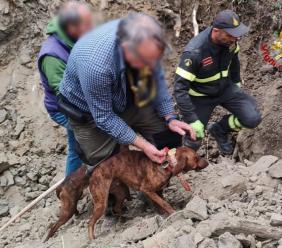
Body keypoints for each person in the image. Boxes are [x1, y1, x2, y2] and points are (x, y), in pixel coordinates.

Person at [59, 13, 196, 170]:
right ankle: (116, 191)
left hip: (127, 96)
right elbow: (104, 117)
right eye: (146, 62)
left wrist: (170, 117)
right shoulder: (96, 66)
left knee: (168, 136)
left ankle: (152, 187)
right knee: (106, 168)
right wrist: (142, 145)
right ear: (127, 49)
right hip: (89, 112)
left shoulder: (145, 38)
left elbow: (156, 77)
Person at [174, 10, 261, 154]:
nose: (235, 38)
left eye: (236, 34)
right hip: (200, 97)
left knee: (252, 118)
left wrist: (236, 82)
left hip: (225, 89)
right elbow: (179, 89)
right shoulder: (195, 52)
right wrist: (192, 119)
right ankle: (186, 168)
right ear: (216, 31)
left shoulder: (231, 43)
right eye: (230, 35)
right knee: (194, 138)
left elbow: (234, 62)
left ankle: (219, 130)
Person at [38, 1, 93, 176]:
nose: (90, 28)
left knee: (78, 145)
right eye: (85, 25)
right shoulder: (52, 55)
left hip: (80, 100)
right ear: (71, 26)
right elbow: (65, 93)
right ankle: (71, 189)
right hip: (64, 109)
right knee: (89, 141)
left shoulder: (74, 39)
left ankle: (75, 185)